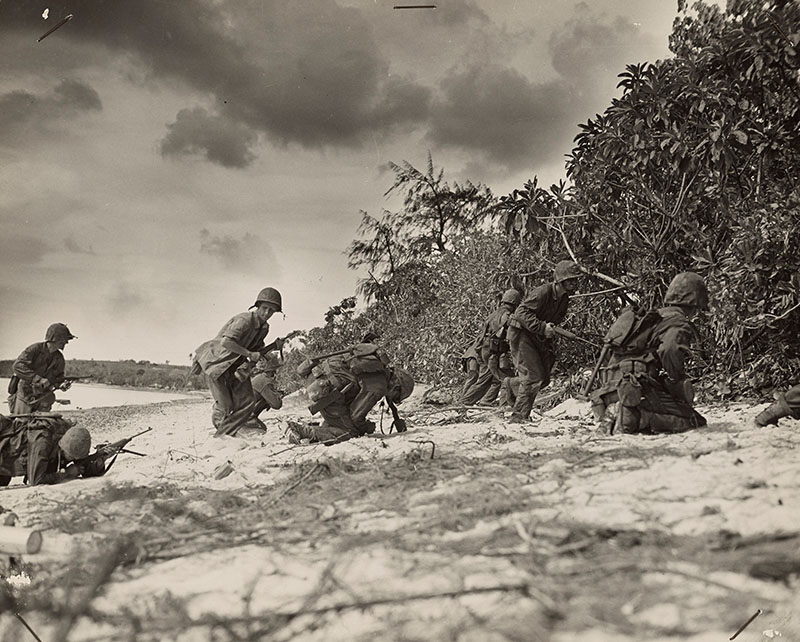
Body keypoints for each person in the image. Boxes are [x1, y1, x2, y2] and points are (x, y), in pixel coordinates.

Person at [589, 272, 709, 434]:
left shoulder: (648, 318)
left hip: (608, 391)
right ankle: (637, 418)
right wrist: (677, 379)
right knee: (696, 422)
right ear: (696, 302)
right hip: (635, 390)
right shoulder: (677, 321)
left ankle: (618, 414)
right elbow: (669, 350)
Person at [192, 288, 285, 436]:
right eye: (264, 308)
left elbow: (257, 349)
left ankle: (224, 434)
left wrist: (274, 346)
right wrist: (248, 353)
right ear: (258, 306)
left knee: (247, 404)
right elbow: (226, 342)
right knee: (226, 406)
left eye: (271, 311)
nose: (267, 313)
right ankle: (221, 434)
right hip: (216, 363)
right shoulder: (244, 320)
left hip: (234, 366)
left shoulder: (265, 327)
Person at [288, 342, 415, 445]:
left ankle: (320, 429)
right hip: (325, 391)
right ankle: (302, 431)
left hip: (316, 379)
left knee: (341, 422)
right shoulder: (379, 386)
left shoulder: (374, 366)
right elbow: (356, 416)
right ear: (396, 386)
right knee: (350, 432)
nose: (392, 399)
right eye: (396, 397)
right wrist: (365, 427)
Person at [506, 261, 583, 423]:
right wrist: (542, 327)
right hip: (521, 334)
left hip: (535, 337)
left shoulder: (564, 299)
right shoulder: (543, 292)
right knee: (533, 377)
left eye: (576, 279)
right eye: (570, 279)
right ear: (560, 280)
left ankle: (513, 385)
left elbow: (553, 321)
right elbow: (521, 312)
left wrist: (548, 331)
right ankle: (518, 417)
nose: (574, 283)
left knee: (544, 378)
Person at [0, 414, 102, 486]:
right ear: (62, 448)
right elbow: (36, 481)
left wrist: (101, 460)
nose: (72, 460)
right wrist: (66, 473)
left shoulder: (69, 439)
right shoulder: (42, 443)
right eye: (71, 457)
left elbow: (82, 468)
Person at [462, 289, 521, 406]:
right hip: (491, 351)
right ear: (514, 304)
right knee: (494, 378)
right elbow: (509, 327)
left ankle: (487, 402)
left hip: (485, 350)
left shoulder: (494, 314)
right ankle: (466, 402)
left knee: (496, 379)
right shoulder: (505, 315)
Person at [8, 323, 77, 414]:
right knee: (21, 422)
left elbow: (58, 377)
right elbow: (18, 366)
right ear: (55, 338)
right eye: (64, 339)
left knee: (41, 423)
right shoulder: (35, 349)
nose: (66, 342)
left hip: (43, 396)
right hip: (25, 393)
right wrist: (38, 379)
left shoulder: (59, 358)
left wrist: (61, 385)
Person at [251, 353, 284, 418]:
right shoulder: (264, 380)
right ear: (272, 371)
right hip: (244, 418)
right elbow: (276, 404)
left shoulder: (259, 378)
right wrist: (278, 396)